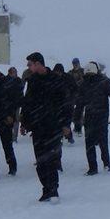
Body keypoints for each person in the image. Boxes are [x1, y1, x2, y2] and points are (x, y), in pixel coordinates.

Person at [20, 52, 72, 202]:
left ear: (38, 63)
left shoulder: (56, 80)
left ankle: (53, 189)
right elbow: (27, 103)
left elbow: (66, 104)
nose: (29, 67)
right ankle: (46, 189)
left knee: (51, 159)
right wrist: (24, 122)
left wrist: (66, 124)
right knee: (40, 161)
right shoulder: (32, 81)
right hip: (37, 127)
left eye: (30, 64)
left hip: (53, 126)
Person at [76, 61, 110, 175]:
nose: (89, 77)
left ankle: (104, 164)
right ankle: (94, 167)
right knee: (93, 142)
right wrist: (77, 119)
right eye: (88, 75)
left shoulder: (102, 82)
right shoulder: (86, 84)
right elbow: (79, 103)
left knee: (100, 141)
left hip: (100, 116)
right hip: (93, 116)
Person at [53, 63, 78, 145]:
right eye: (56, 72)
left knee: (66, 122)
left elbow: (75, 89)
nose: (58, 74)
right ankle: (59, 139)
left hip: (68, 104)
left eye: (59, 72)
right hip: (57, 104)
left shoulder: (69, 78)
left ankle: (69, 137)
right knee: (58, 122)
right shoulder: (52, 78)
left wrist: (72, 99)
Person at [6, 67, 24, 142]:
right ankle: (8, 136)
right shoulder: (6, 80)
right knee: (8, 121)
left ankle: (14, 137)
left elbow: (21, 91)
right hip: (8, 104)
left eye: (15, 72)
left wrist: (21, 101)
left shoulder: (18, 80)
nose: (15, 74)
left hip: (16, 104)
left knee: (16, 121)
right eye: (13, 72)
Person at [68, 58, 85, 136]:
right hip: (72, 96)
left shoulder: (83, 71)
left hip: (81, 95)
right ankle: (76, 126)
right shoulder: (70, 73)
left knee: (80, 112)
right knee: (72, 112)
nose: (75, 65)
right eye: (74, 63)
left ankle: (79, 128)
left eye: (76, 63)